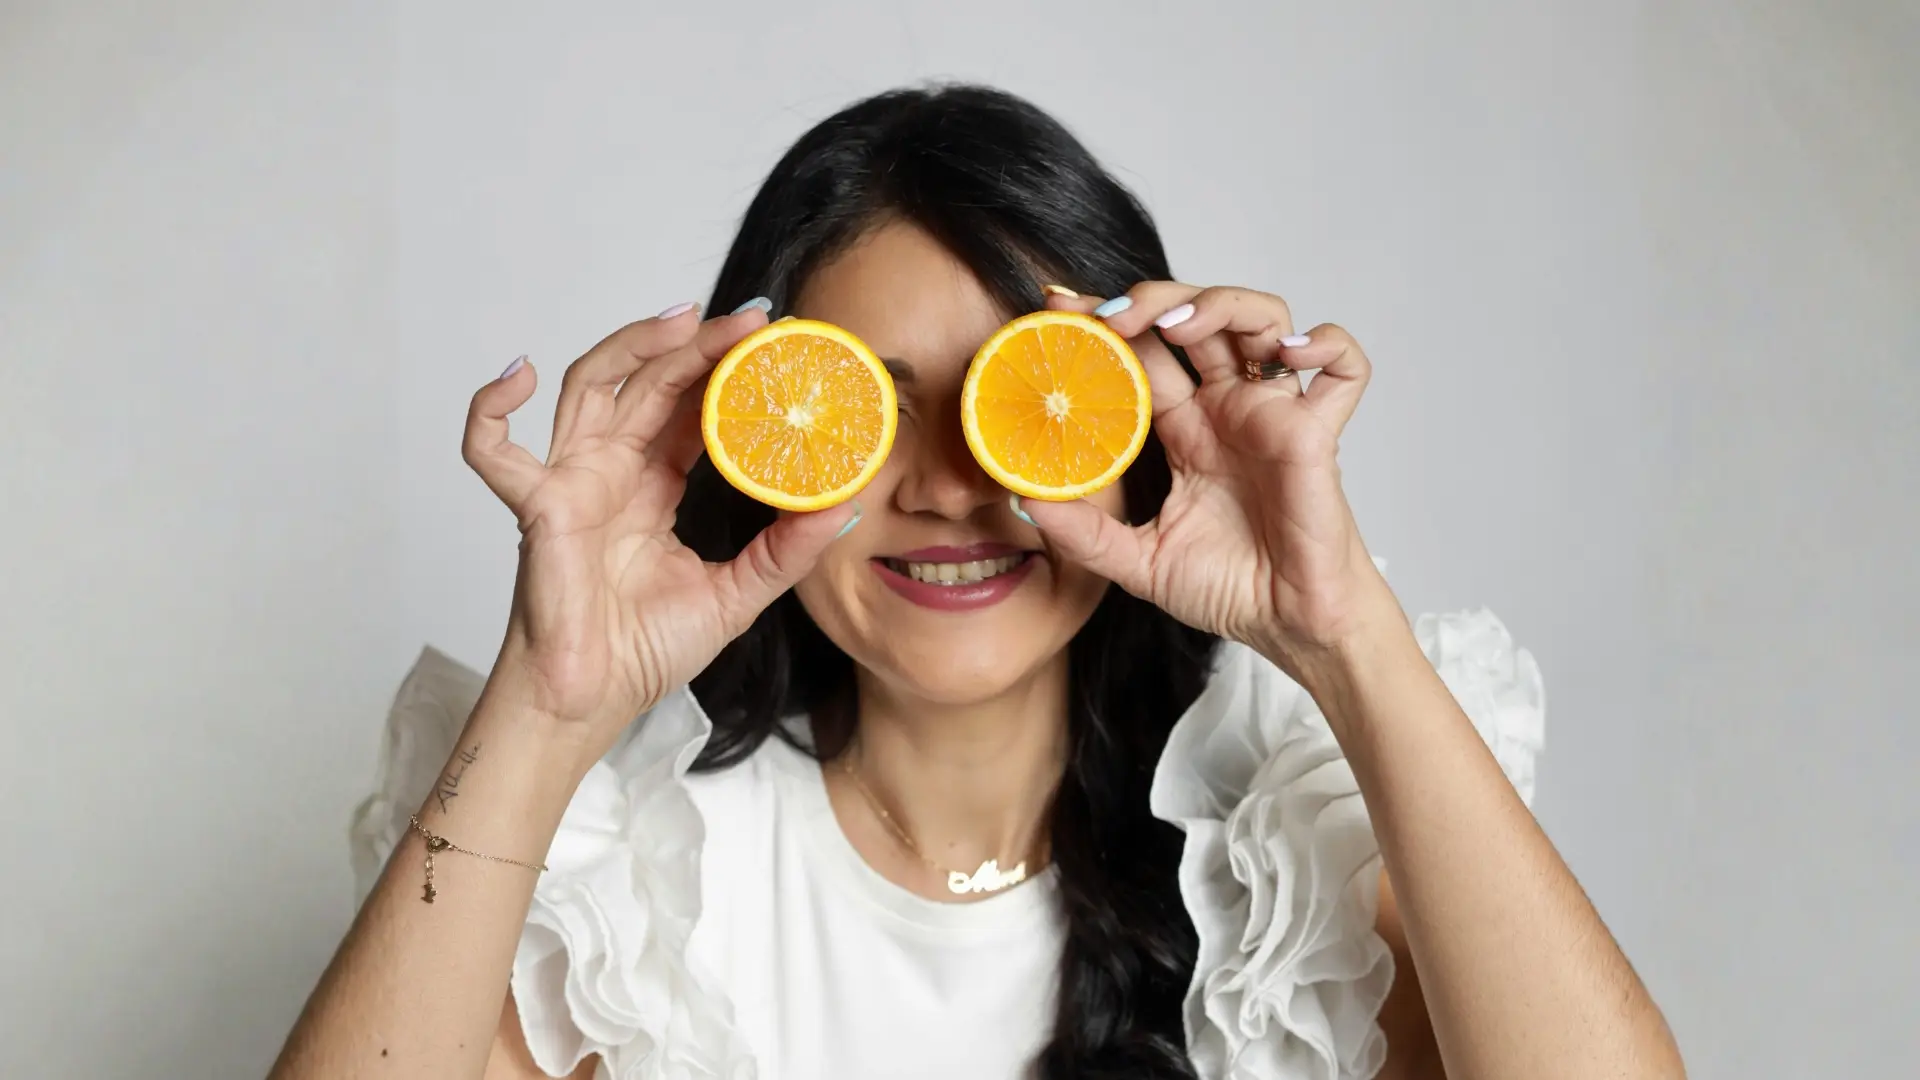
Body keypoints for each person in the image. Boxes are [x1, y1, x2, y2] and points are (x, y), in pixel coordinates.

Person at [270, 85, 1684, 1080]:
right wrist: (546, 702)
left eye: (1020, 402)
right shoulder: (644, 895)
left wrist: (1340, 634)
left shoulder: (1289, 872)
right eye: (866, 412)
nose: (948, 484)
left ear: (1138, 435)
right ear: (755, 437)